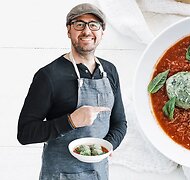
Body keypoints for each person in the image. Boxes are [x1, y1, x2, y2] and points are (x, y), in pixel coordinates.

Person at [17, 3, 127, 180]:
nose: (87, 31)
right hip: (59, 174)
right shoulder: (49, 75)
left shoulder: (110, 70)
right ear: (69, 30)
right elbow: (25, 133)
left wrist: (107, 146)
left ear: (101, 32)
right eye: (79, 24)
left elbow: (120, 122)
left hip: (99, 173)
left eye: (94, 24)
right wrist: (71, 121)